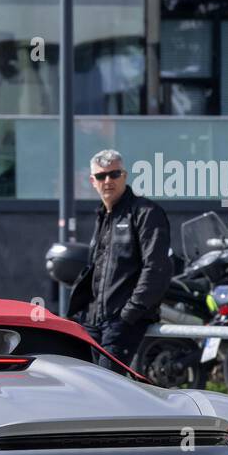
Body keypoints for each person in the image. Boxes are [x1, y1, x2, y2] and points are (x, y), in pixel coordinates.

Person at [66, 149, 173, 371]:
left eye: (114, 174)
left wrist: (129, 314)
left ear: (124, 176)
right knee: (83, 384)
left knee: (108, 390)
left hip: (122, 323)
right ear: (92, 181)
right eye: (101, 176)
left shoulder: (145, 212)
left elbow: (156, 269)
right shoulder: (104, 216)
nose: (108, 181)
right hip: (93, 322)